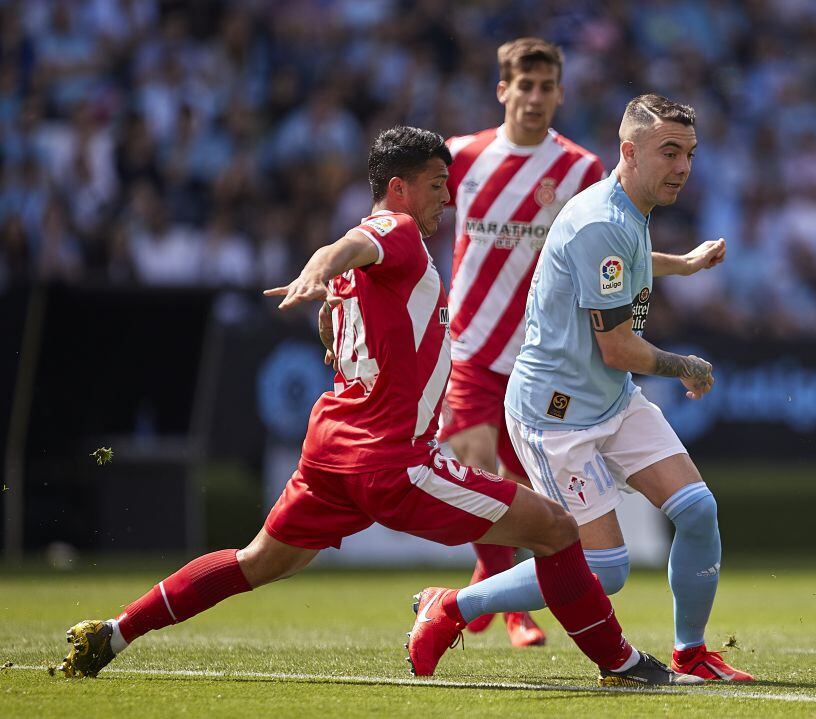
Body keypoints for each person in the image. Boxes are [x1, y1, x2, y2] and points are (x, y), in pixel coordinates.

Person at [54, 125, 701, 688]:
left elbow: (347, 285)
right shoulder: (393, 229)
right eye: (436, 184)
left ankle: (114, 630)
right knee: (558, 528)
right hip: (393, 461)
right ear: (398, 187)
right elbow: (354, 244)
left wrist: (324, 282)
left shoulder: (371, 260)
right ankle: (619, 661)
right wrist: (319, 265)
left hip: (330, 453)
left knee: (255, 562)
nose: (448, 196)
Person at [417, 94, 755, 682]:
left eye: (690, 154)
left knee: (698, 511)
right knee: (605, 569)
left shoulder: (623, 210)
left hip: (611, 399)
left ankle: (691, 653)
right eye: (669, 152)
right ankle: (451, 606)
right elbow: (618, 346)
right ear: (629, 151)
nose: (682, 167)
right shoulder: (603, 219)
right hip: (556, 417)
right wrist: (687, 368)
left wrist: (687, 263)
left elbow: (627, 261)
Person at [437, 37, 605, 648]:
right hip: (469, 351)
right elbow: (407, 226)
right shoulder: (461, 156)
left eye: (546, 87)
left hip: (539, 357)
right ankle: (515, 611)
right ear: (503, 89)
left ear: (560, 93)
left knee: (532, 495)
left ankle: (487, 576)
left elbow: (606, 256)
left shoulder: (583, 171)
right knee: (479, 470)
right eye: (523, 86)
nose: (534, 98)